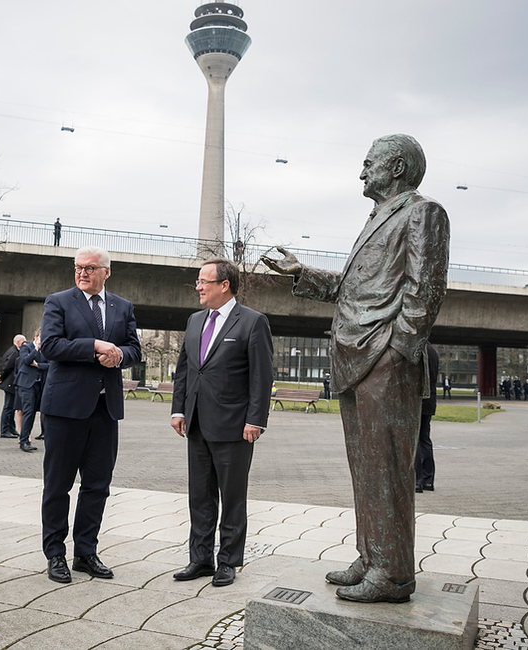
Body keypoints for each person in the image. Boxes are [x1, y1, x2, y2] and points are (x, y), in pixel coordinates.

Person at [262, 133, 449, 604]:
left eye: (369, 164)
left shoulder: (423, 213)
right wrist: (301, 272)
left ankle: (393, 574)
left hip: (384, 359)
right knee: (366, 468)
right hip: (356, 358)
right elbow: (351, 288)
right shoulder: (377, 218)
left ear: (398, 168)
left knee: (387, 468)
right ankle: (373, 557)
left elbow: (425, 291)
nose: (361, 172)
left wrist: (397, 350)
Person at [39, 246, 141, 584]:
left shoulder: (122, 307)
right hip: (65, 409)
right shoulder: (58, 301)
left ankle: (85, 552)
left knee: (97, 484)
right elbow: (50, 346)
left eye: (90, 268)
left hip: (105, 408)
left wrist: (119, 357)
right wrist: (95, 346)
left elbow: (134, 350)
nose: (82, 272)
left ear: (106, 272)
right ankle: (55, 553)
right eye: (78, 267)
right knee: (58, 485)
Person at [169, 258, 273, 588]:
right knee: (199, 496)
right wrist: (178, 410)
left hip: (234, 427)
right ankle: (200, 559)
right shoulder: (195, 320)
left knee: (232, 497)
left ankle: (228, 561)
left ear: (224, 285)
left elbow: (261, 376)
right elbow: (185, 369)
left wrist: (255, 419)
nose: (198, 287)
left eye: (203, 281)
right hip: (197, 424)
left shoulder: (253, 323)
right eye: (198, 282)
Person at [15, 329, 47, 453]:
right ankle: (23, 440)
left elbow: (50, 365)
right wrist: (36, 349)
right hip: (26, 384)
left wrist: (38, 365)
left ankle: (26, 439)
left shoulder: (46, 351)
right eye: (41, 337)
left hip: (38, 385)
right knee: (28, 410)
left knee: (32, 412)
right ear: (35, 337)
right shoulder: (26, 347)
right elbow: (26, 361)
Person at [415, 344, 439, 493]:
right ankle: (428, 480)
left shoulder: (417, 349)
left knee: (415, 441)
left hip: (416, 399)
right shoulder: (433, 351)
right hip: (429, 399)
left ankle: (417, 480)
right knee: (425, 440)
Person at [0, 334, 26, 439]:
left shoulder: (12, 350)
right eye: (23, 342)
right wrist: (1, 376)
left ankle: (11, 428)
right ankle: (5, 430)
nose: (25, 344)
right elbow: (7, 366)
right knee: (8, 407)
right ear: (18, 342)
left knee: (12, 406)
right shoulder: (14, 352)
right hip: (10, 383)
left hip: (10, 383)